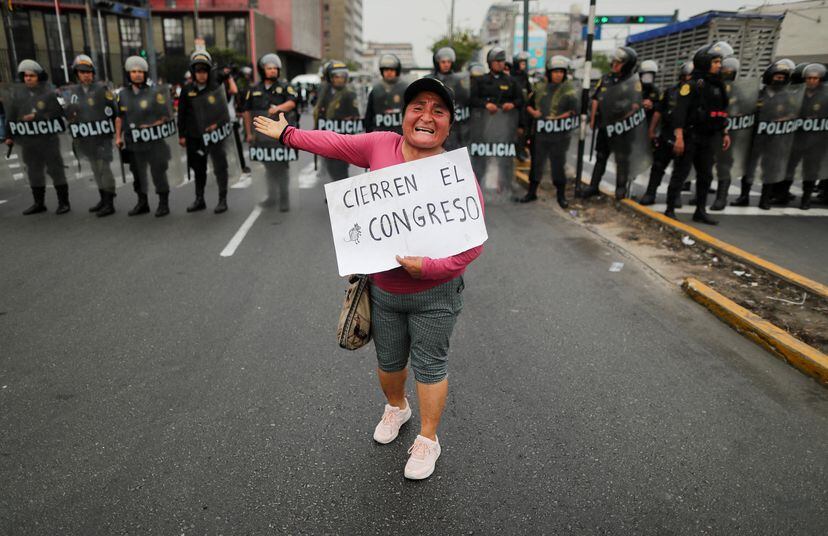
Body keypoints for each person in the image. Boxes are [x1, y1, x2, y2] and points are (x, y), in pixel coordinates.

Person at [253, 77, 483, 481]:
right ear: (404, 115)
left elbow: (473, 244)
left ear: (449, 123)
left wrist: (429, 268)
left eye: (438, 111)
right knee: (389, 363)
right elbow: (335, 143)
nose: (426, 116)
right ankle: (397, 407)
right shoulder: (381, 145)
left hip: (436, 293)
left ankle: (428, 438)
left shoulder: (455, 174)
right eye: (418, 107)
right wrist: (288, 133)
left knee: (430, 366)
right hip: (384, 291)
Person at [663, 42, 733, 224]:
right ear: (705, 63)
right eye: (715, 61)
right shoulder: (692, 85)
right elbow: (680, 112)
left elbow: (722, 111)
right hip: (690, 136)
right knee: (681, 172)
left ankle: (700, 210)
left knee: (706, 175)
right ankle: (670, 209)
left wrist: (725, 132)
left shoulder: (719, 86)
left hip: (709, 138)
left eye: (720, 61)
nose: (719, 65)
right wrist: (679, 137)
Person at [3, 59, 69, 215]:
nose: (28, 79)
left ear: (38, 77)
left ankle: (63, 202)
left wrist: (37, 116)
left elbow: (58, 114)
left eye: (32, 76)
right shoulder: (18, 95)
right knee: (33, 171)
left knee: (55, 170)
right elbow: (11, 117)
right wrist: (9, 135)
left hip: (48, 140)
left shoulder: (48, 95)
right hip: (28, 141)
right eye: (25, 76)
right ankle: (39, 202)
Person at [115, 56, 175, 217]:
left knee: (158, 172)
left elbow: (166, 117)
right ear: (128, 74)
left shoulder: (155, 93)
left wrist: (150, 126)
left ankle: (163, 203)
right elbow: (119, 116)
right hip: (134, 143)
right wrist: (118, 137)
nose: (137, 74)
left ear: (145, 73)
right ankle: (142, 203)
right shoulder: (122, 94)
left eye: (140, 71)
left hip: (154, 142)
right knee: (138, 174)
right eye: (134, 71)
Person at [517, 55, 578, 208]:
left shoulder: (569, 90)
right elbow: (528, 105)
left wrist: (562, 116)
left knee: (558, 165)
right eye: (555, 71)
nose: (558, 74)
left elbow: (575, 111)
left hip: (559, 136)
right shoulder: (540, 88)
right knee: (537, 164)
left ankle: (561, 196)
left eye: (561, 72)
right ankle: (531, 192)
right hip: (541, 134)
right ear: (549, 72)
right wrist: (534, 112)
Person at [62, 54, 118, 217]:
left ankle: (109, 202)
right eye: (82, 72)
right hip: (86, 138)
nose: (86, 75)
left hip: (101, 137)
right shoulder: (73, 92)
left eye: (88, 72)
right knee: (95, 168)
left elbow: (113, 111)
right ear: (77, 74)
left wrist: (115, 133)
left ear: (93, 73)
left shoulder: (102, 89)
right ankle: (102, 198)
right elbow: (69, 114)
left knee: (104, 168)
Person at [582, 46, 641, 200]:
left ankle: (620, 190)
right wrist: (593, 119)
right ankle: (593, 186)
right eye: (614, 61)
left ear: (627, 64)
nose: (614, 64)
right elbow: (596, 98)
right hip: (604, 126)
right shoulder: (606, 78)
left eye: (619, 62)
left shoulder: (632, 81)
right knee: (601, 156)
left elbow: (635, 106)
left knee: (621, 159)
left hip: (622, 128)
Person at [242, 52, 299, 210]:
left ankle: (284, 199)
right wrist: (248, 133)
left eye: (275, 68)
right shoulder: (254, 89)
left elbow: (293, 102)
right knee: (268, 168)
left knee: (281, 168)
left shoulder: (285, 87)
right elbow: (246, 111)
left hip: (279, 137)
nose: (273, 71)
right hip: (261, 138)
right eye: (269, 68)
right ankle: (271, 197)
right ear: (262, 70)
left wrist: (278, 108)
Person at [178, 50, 231, 214]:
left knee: (220, 167)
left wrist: (217, 125)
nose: (201, 74)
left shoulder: (216, 88)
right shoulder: (187, 90)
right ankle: (199, 199)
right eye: (198, 71)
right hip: (195, 137)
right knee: (198, 168)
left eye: (204, 71)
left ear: (209, 72)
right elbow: (182, 113)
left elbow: (224, 113)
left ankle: (222, 199)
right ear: (193, 72)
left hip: (214, 136)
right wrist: (182, 135)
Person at [639, 61, 693, 206]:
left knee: (680, 169)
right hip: (667, 134)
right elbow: (658, 111)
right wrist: (651, 130)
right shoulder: (670, 91)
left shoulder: (698, 93)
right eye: (689, 75)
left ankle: (675, 196)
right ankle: (650, 193)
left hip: (687, 136)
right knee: (658, 166)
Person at [469, 47, 523, 188]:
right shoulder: (481, 81)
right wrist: (486, 105)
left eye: (502, 60)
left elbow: (521, 100)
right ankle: (477, 187)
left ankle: (506, 186)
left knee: (504, 159)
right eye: (497, 61)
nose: (500, 63)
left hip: (504, 129)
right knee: (481, 159)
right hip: (484, 128)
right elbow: (472, 100)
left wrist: (512, 104)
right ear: (489, 62)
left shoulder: (511, 81)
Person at [784, 62, 827, 210]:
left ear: (820, 79)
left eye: (815, 78)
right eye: (809, 78)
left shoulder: (825, 96)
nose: (812, 81)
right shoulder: (797, 94)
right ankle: (783, 193)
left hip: (816, 140)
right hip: (797, 138)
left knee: (811, 170)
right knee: (789, 167)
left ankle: (806, 198)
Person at [315, 61, 361, 182]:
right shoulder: (324, 94)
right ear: (330, 78)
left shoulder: (349, 94)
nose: (340, 80)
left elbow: (355, 118)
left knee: (340, 171)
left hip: (342, 140)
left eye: (342, 77)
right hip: (328, 139)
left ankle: (340, 197)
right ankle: (336, 195)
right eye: (336, 77)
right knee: (331, 168)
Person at [427, 46, 470, 150]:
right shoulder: (430, 79)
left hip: (455, 125)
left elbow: (465, 99)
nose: (446, 64)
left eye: (448, 62)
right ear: (438, 63)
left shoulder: (459, 80)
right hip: (436, 123)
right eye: (443, 62)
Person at [364, 54, 406, 134]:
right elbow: (369, 115)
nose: (389, 73)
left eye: (392, 70)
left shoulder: (404, 88)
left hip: (400, 133)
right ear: (382, 71)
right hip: (380, 133)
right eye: (386, 70)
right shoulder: (376, 90)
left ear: (397, 71)